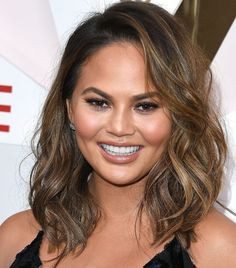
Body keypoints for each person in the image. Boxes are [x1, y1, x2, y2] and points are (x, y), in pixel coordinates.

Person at [0, 1, 236, 267]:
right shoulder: (15, 237)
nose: (120, 127)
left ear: (178, 116)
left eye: (145, 106)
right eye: (99, 103)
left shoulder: (219, 249)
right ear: (69, 109)